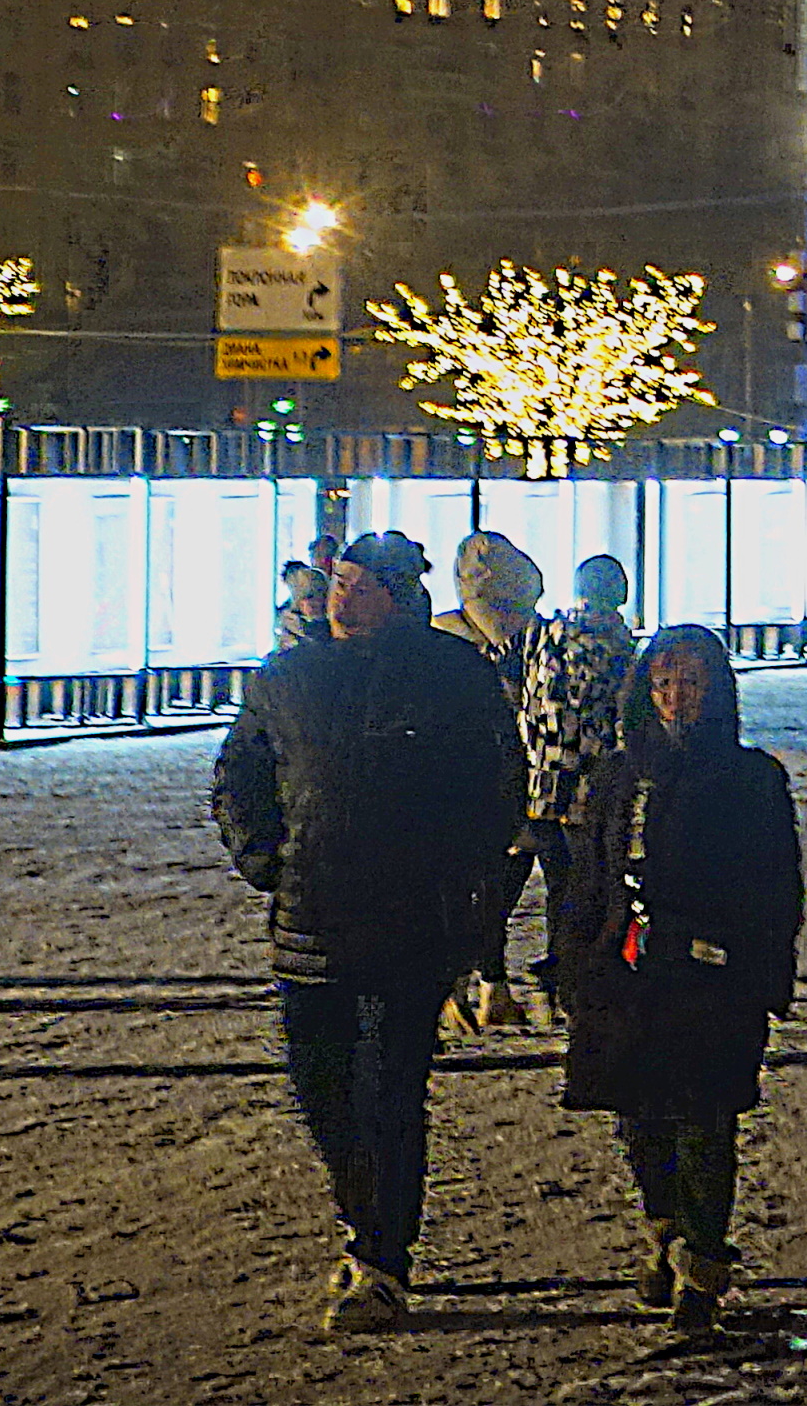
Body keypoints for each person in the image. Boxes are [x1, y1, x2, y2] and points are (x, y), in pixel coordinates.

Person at [208, 531, 526, 1335]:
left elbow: (498, 784)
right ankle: (366, 1223)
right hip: (310, 919)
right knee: (323, 1093)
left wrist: (460, 874)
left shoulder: (451, 674)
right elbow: (239, 771)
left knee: (389, 1091)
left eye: (358, 586)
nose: (339, 598)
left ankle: (381, 1256)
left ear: (397, 595)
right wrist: (265, 857)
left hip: (411, 923)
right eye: (336, 582)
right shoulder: (289, 676)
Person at [557, 625, 806, 1336]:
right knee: (640, 1120)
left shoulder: (750, 777)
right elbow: (588, 877)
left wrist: (766, 975)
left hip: (711, 977)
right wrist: (574, 959)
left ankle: (700, 1260)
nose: (675, 697)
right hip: (631, 974)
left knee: (705, 1121)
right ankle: (664, 1228)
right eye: (664, 682)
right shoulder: (618, 774)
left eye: (690, 682)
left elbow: (776, 885)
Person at [514, 552, 642, 1017]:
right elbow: (612, 720)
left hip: (543, 784)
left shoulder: (547, 634)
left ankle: (556, 976)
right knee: (586, 885)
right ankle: (568, 977)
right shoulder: (611, 645)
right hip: (587, 787)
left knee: (558, 884)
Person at [435, 528, 548, 1036]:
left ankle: (470, 983)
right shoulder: (531, 635)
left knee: (467, 886)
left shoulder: (441, 633)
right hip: (515, 774)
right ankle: (485, 983)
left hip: (459, 778)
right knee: (500, 883)